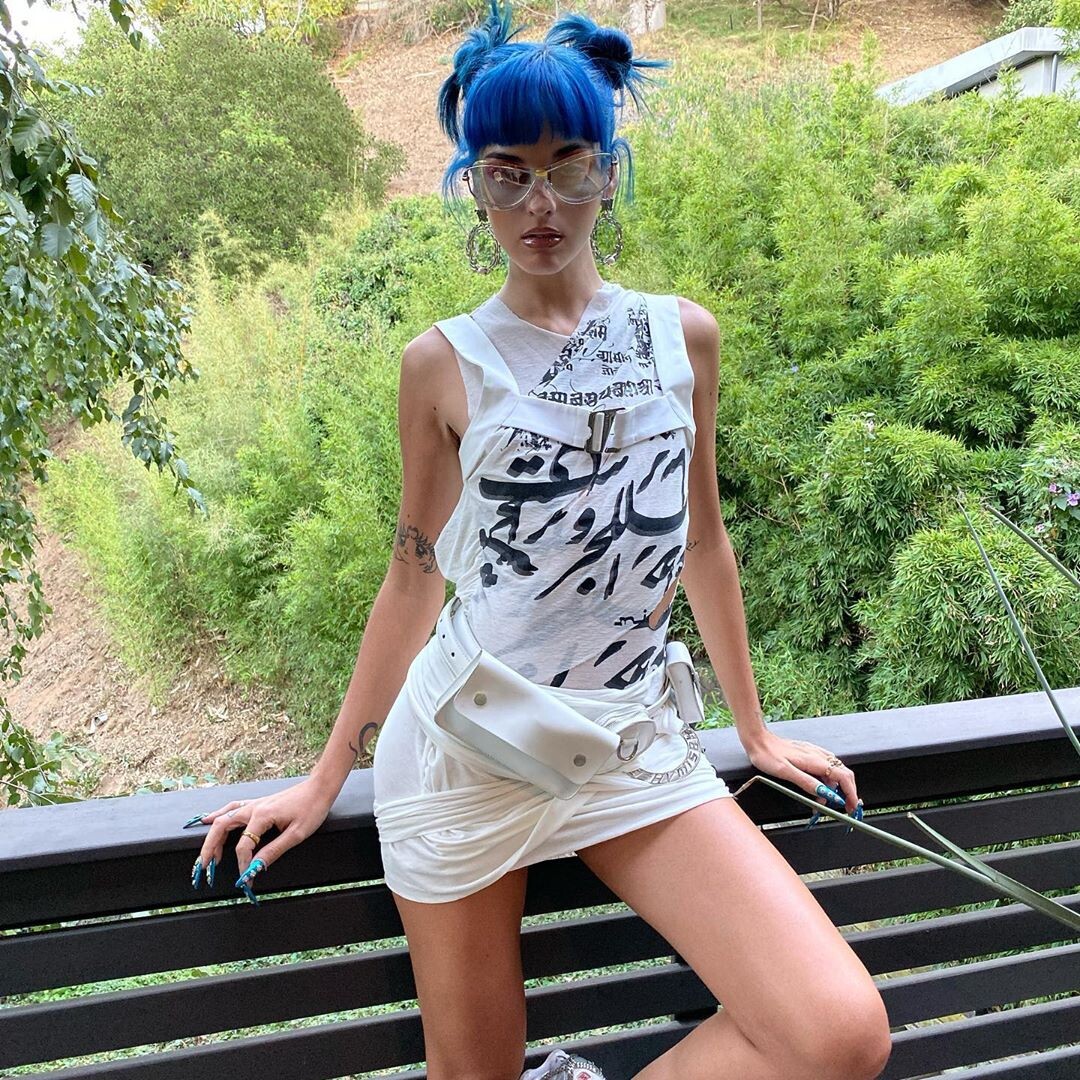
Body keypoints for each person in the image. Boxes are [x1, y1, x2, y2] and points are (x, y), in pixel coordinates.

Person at [184, 3, 892, 1077]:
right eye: (507, 172)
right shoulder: (444, 364)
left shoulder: (683, 339)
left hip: (629, 742)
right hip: (465, 755)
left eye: (569, 166)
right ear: (473, 185)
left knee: (837, 1032)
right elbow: (413, 580)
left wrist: (753, 731)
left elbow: (703, 543)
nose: (540, 202)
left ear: (610, 171)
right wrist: (327, 778)